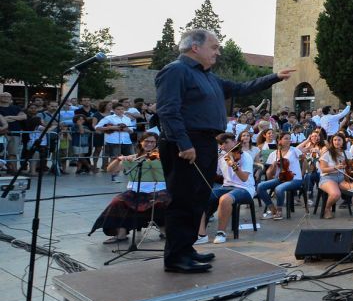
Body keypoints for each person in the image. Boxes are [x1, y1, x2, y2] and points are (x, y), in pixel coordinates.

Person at [155, 29, 291, 273]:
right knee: (182, 200)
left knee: (198, 199)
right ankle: (175, 257)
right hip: (187, 143)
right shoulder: (176, 70)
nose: (218, 51)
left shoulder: (209, 77)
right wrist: (184, 144)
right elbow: (168, 110)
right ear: (195, 47)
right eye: (214, 46)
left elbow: (241, 87)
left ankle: (187, 248)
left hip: (207, 142)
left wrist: (274, 77)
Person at [90, 133, 170, 243]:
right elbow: (111, 170)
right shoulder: (133, 158)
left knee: (164, 201)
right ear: (141, 142)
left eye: (153, 142)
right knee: (117, 202)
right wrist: (119, 159)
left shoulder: (162, 157)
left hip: (158, 189)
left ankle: (165, 230)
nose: (149, 144)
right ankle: (121, 233)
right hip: (135, 191)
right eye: (147, 141)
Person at [206, 133, 255, 244]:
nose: (223, 146)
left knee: (225, 199)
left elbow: (244, 178)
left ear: (234, 142)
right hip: (226, 186)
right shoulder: (222, 157)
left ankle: (221, 232)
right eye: (221, 144)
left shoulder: (245, 156)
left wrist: (233, 164)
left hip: (245, 188)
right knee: (203, 195)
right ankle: (200, 233)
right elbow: (216, 174)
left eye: (226, 143)